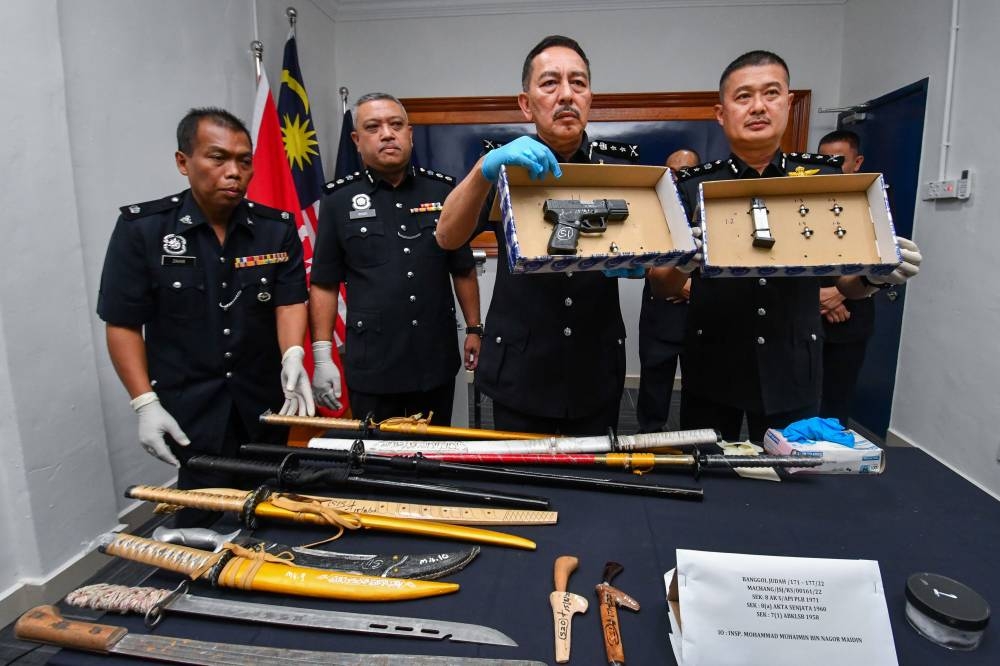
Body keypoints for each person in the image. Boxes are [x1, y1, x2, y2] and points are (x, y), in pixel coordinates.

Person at [648, 51, 922, 442]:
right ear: (721, 113)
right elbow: (661, 285)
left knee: (793, 470)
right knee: (708, 467)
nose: (758, 106)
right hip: (713, 362)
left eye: (771, 93)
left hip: (793, 364)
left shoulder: (823, 180)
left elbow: (848, 285)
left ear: (789, 103)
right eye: (743, 96)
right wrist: (683, 264)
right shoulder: (692, 186)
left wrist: (876, 277)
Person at [97, 107, 312, 498]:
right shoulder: (144, 230)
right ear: (184, 162)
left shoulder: (275, 229)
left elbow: (289, 300)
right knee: (204, 509)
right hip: (190, 405)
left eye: (244, 161)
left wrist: (293, 353)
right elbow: (123, 322)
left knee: (271, 501)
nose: (234, 172)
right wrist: (144, 402)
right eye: (218, 158)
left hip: (262, 400)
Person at [436, 35, 626, 436]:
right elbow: (447, 237)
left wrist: (644, 260)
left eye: (578, 82)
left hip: (595, 372)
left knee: (596, 475)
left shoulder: (618, 172)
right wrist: (484, 168)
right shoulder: (503, 167)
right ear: (526, 103)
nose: (566, 95)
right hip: (520, 374)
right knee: (520, 477)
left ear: (590, 97)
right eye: (550, 83)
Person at [310, 93, 480, 425]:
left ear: (410, 134)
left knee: (434, 448)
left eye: (396, 125)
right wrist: (321, 356)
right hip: (373, 363)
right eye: (373, 127)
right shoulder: (338, 200)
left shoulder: (443, 192)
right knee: (375, 452)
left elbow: (462, 268)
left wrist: (474, 328)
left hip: (434, 358)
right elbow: (324, 283)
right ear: (357, 140)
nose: (387, 134)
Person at [636, 148, 701, 433]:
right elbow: (638, 255)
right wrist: (673, 282)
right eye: (670, 173)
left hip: (699, 314)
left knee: (699, 388)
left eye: (683, 173)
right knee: (654, 383)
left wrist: (693, 288)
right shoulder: (652, 210)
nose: (676, 179)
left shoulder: (708, 211)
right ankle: (648, 437)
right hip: (659, 310)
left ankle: (693, 441)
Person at [816, 130, 873, 425]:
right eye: (824, 160)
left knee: (835, 405)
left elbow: (881, 259)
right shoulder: (803, 200)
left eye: (838, 160)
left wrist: (838, 294)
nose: (830, 167)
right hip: (806, 317)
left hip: (851, 316)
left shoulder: (871, 203)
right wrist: (817, 296)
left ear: (857, 162)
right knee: (798, 405)